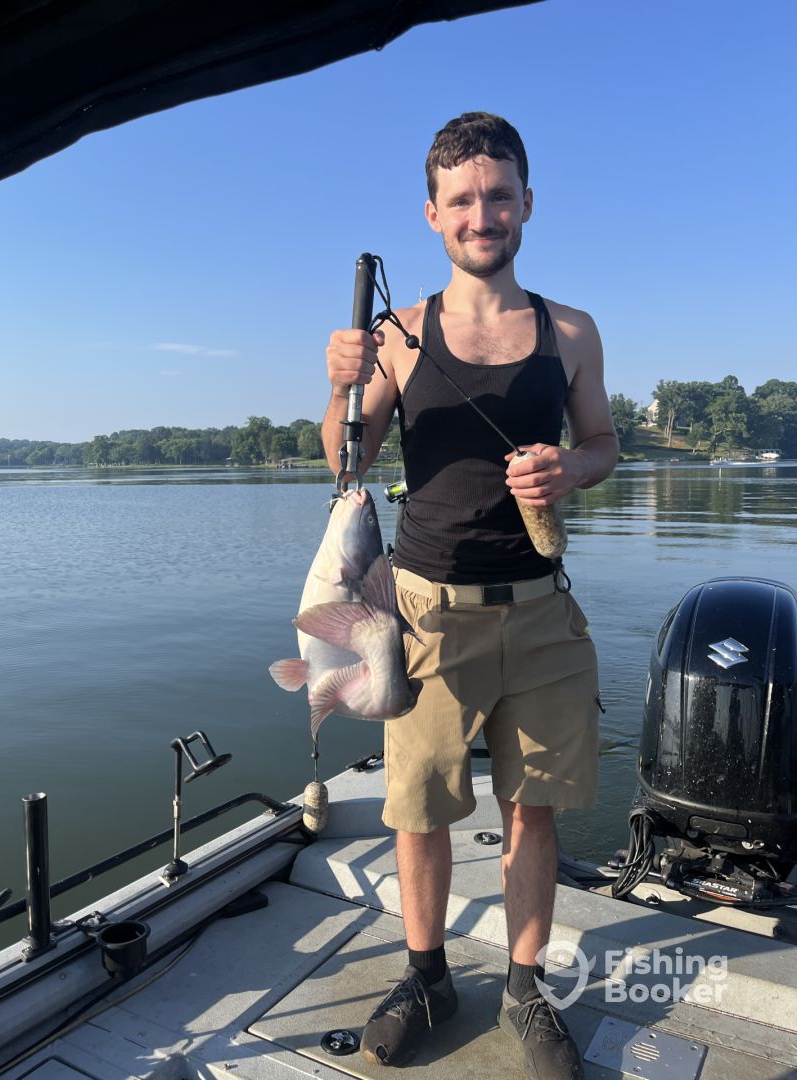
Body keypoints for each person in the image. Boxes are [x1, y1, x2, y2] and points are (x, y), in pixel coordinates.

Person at [322, 112, 618, 1078]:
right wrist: (339, 387)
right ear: (433, 215)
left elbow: (604, 444)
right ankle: (427, 978)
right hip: (422, 613)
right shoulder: (399, 334)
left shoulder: (571, 331)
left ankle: (525, 987)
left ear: (527, 203)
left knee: (535, 809)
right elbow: (345, 463)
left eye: (498, 196)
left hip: (541, 611)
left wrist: (571, 470)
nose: (481, 215)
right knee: (418, 810)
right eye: (462, 201)